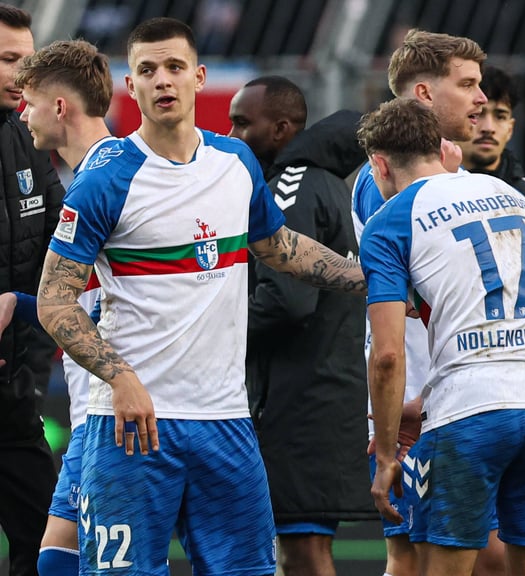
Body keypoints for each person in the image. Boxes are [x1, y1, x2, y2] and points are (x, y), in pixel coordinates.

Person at [34, 17, 365, 576]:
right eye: (147, 70)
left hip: (226, 423)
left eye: (174, 67)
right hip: (134, 428)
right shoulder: (106, 180)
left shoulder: (234, 164)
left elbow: (278, 245)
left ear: (198, 76)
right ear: (130, 86)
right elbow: (55, 301)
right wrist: (122, 378)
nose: (162, 80)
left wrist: (368, 279)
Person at [359, 96, 525, 576]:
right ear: (442, 147)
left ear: (379, 164)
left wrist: (388, 453)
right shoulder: (510, 194)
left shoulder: (390, 220)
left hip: (469, 410)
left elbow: (389, 355)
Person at [350, 29, 506, 576]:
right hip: (420, 403)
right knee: (424, 558)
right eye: (466, 85)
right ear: (422, 94)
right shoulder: (389, 181)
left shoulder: (445, 175)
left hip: (460, 397)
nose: (481, 99)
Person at [247, 105, 375, 576]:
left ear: (281, 130)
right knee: (302, 545)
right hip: (329, 385)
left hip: (301, 398)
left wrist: (213, 336)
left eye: (245, 121)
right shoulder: (331, 186)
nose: (234, 132)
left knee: (301, 550)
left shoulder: (291, 182)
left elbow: (287, 300)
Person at [14, 38, 117, 576]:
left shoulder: (111, 180)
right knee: (56, 555)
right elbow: (100, 296)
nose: (21, 111)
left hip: (128, 410)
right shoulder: (85, 179)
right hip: (96, 406)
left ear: (59, 107)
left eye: (29, 100)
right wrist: (21, 305)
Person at [0, 5, 65, 576]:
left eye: (27, 62)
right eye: (6, 59)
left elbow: (59, 244)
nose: (21, 75)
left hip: (15, 395)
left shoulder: (26, 137)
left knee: (47, 544)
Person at [457, 66, 525, 206]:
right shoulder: (427, 193)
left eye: (500, 116)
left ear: (510, 129)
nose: (488, 128)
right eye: (477, 115)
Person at [228, 75, 306, 173]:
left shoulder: (307, 186)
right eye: (233, 124)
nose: (231, 136)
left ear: (280, 129)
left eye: (242, 123)